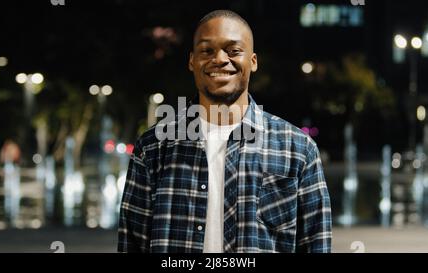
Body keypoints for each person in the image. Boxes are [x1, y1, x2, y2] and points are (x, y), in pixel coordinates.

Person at [118, 9, 332, 253]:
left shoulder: (298, 150)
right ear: (191, 61)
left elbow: (317, 245)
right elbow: (131, 244)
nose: (219, 59)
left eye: (234, 51)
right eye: (207, 50)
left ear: (253, 61)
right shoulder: (153, 147)